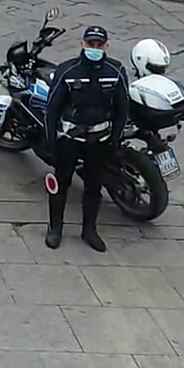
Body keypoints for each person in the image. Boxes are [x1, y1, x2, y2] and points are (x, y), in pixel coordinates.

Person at [43, 25, 130, 252]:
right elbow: (52, 108)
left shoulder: (116, 71)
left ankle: (89, 230)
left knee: (93, 186)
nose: (95, 48)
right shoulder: (67, 71)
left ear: (106, 46)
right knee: (60, 185)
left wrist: (115, 141)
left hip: (98, 142)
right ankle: (55, 229)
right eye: (90, 43)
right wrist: (50, 140)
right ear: (82, 44)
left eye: (99, 44)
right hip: (69, 140)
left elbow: (122, 110)